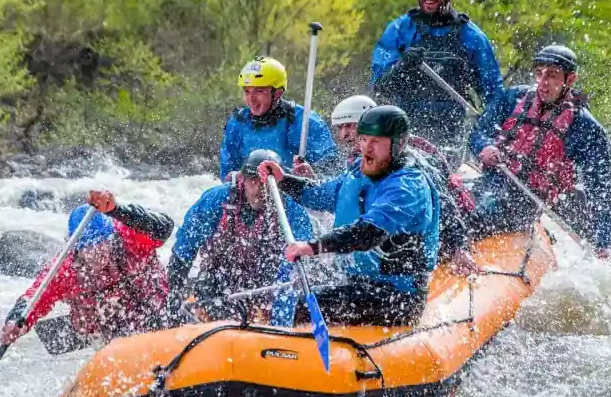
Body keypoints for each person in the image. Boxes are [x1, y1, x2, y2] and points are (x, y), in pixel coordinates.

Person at [260, 105, 442, 326]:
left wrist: (311, 247)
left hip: (397, 295)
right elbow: (321, 195)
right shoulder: (358, 171)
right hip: (357, 282)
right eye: (364, 139)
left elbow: (369, 233)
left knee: (297, 307)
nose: (367, 149)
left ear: (399, 144)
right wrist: (284, 179)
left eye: (376, 142)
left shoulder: (408, 186)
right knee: (280, 298)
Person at [467, 43, 611, 258]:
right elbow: (478, 131)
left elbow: (599, 189)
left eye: (552, 75)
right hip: (489, 183)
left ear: (570, 80)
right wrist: (484, 146)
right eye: (539, 73)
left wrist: (604, 242)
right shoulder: (513, 98)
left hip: (525, 202)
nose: (542, 82)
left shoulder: (586, 128)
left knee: (472, 215)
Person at [300, 94, 477, 274]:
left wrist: (459, 246)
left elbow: (442, 200)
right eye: (340, 127)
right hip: (381, 246)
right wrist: (310, 180)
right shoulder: (358, 161)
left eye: (349, 126)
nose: (344, 135)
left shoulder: (409, 160)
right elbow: (341, 197)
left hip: (422, 246)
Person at [0, 191, 174, 345]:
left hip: (155, 309)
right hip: (109, 327)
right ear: (76, 249)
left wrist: (117, 210)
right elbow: (35, 297)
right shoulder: (65, 269)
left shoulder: (130, 237)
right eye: (88, 248)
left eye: (101, 244)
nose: (96, 253)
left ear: (111, 237)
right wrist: (16, 321)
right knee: (92, 317)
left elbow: (164, 227)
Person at [370, 0, 505, 150]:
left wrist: (485, 139)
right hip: (405, 140)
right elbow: (379, 87)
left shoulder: (472, 37)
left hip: (452, 142)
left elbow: (495, 96)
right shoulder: (399, 31)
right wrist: (401, 67)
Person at [165, 150, 313, 322]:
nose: (258, 187)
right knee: (206, 283)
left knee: (294, 290)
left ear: (277, 183)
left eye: (264, 181)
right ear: (242, 178)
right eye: (252, 179)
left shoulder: (291, 212)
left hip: (269, 279)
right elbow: (184, 248)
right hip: (222, 276)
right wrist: (175, 297)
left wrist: (280, 321)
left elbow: (297, 264)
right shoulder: (216, 200)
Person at [219, 55, 339, 180]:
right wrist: (234, 178)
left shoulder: (305, 122)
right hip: (250, 189)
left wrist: (313, 176)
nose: (251, 100)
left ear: (277, 93)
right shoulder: (236, 123)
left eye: (259, 91)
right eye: (247, 91)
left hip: (291, 188)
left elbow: (333, 170)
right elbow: (226, 173)